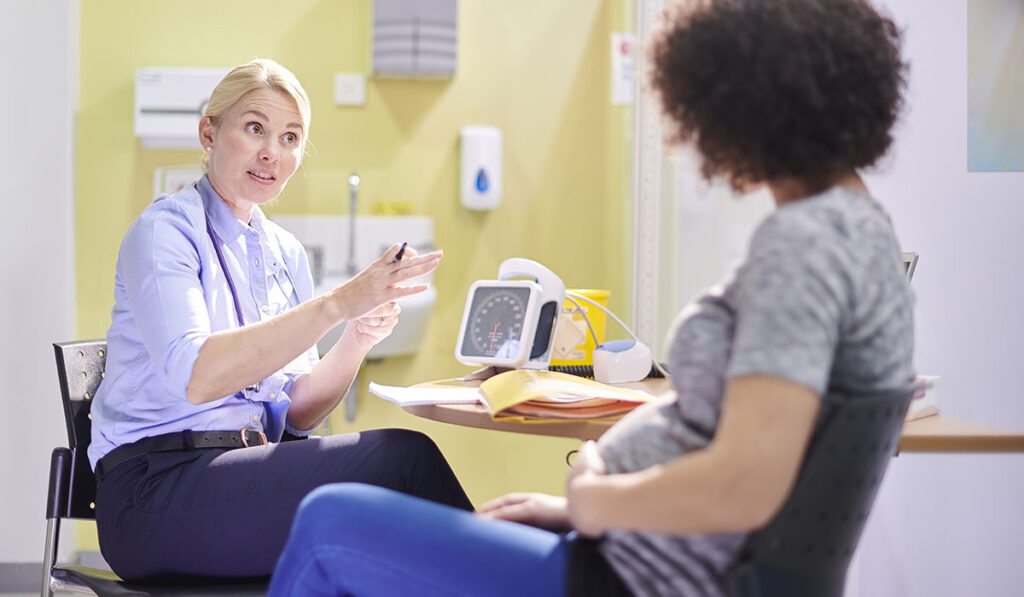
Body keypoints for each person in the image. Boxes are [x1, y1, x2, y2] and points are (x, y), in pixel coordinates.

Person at [266, 0, 914, 596]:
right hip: (642, 551)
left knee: (329, 521)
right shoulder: (864, 231)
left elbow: (747, 482)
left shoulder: (804, 242)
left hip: (635, 577)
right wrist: (580, 510)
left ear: (740, 103)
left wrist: (598, 503)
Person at [88, 58, 473, 581]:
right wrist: (337, 304)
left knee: (390, 530)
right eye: (254, 129)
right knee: (403, 461)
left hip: (238, 475)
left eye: (291, 138)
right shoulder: (164, 233)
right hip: (153, 489)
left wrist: (356, 337)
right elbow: (195, 377)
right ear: (209, 131)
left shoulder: (283, 253)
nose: (273, 152)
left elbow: (298, 414)